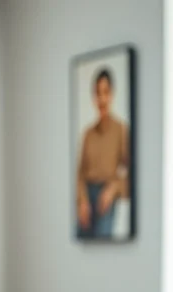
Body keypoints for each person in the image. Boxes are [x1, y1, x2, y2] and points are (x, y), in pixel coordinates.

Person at [76, 67, 130, 239]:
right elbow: (80, 174)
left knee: (103, 238)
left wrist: (113, 189)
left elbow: (131, 174)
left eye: (105, 92)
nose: (102, 99)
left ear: (112, 94)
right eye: (98, 93)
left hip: (106, 195)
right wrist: (82, 200)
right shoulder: (88, 134)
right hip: (87, 196)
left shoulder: (121, 130)